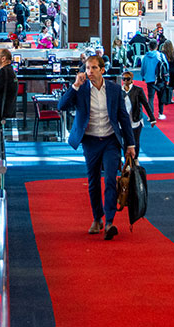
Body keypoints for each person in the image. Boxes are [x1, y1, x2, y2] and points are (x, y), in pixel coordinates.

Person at [57, 55, 136, 240]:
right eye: (87, 68)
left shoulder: (115, 90)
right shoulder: (81, 89)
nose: (89, 72)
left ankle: (109, 221)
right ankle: (97, 218)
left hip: (110, 140)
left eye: (93, 68)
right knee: (93, 182)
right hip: (90, 141)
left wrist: (130, 144)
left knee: (110, 179)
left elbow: (124, 117)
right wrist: (75, 85)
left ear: (102, 70)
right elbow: (62, 105)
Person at [120, 71, 155, 152]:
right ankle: (127, 161)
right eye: (123, 79)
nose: (125, 81)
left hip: (136, 119)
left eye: (127, 79)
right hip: (123, 121)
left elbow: (145, 104)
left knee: (135, 141)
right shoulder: (119, 91)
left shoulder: (138, 90)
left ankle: (135, 159)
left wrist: (152, 118)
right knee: (126, 141)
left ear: (131, 79)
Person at [139, 41, 168, 120]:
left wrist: (143, 76)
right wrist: (167, 78)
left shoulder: (145, 57)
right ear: (157, 46)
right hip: (160, 79)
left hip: (149, 79)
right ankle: (160, 113)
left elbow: (143, 68)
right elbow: (166, 67)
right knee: (160, 96)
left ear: (149, 47)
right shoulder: (161, 55)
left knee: (150, 97)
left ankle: (150, 115)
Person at [161, 41, 174, 105]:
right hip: (172, 70)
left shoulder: (162, 53)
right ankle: (171, 99)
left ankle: (164, 98)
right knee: (172, 85)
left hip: (164, 71)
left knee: (164, 84)